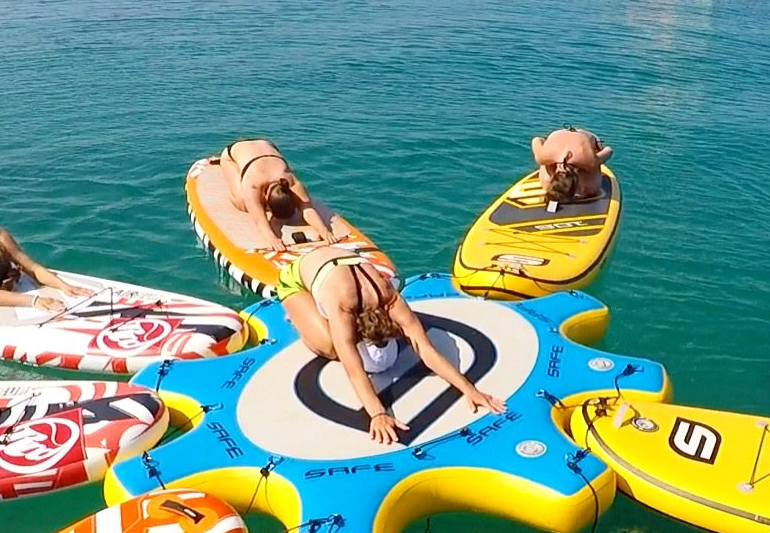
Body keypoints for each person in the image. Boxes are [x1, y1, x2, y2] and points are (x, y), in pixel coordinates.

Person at [274, 243, 503, 445]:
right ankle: (297, 316)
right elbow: (353, 370)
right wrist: (377, 414)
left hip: (340, 262)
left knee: (384, 338)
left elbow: (426, 349)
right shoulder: (343, 307)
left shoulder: (389, 297)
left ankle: (311, 313)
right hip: (298, 277)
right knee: (330, 345)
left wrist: (469, 389)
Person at [214, 140, 346, 251]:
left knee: (253, 202)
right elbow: (260, 218)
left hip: (268, 146)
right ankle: (223, 163)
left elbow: (307, 208)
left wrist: (324, 231)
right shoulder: (254, 184)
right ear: (265, 197)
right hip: (232, 155)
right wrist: (271, 238)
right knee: (243, 203)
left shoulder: (291, 181)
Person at [530, 127, 612, 206]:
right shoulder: (542, 156)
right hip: (560, 136)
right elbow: (536, 139)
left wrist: (598, 151)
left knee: (589, 189)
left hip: (585, 136)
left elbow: (608, 150)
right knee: (590, 176)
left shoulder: (587, 160)